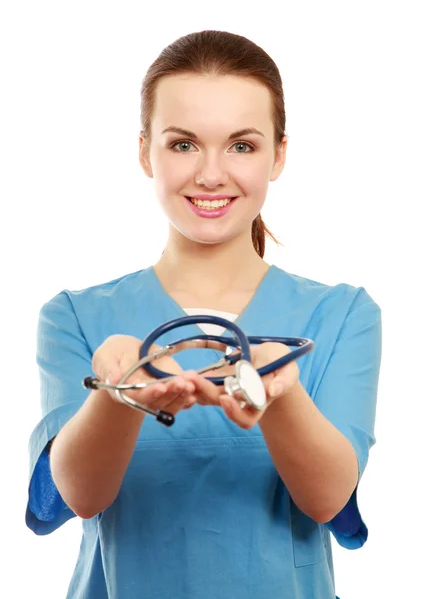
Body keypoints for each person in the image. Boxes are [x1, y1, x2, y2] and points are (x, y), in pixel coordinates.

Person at [26, 30, 382, 599]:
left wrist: (280, 397)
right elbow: (74, 496)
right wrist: (115, 396)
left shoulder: (339, 315)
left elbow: (329, 499)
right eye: (183, 144)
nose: (211, 174)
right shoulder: (74, 316)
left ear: (279, 154)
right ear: (145, 151)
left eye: (242, 145)